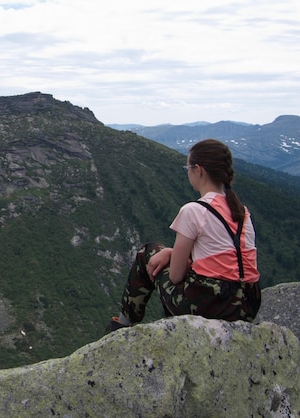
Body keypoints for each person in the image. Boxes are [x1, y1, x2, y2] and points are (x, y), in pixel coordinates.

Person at [105, 139, 261, 334]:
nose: (187, 171)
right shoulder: (242, 213)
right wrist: (172, 252)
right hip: (248, 304)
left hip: (211, 305)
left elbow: (176, 276)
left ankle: (120, 327)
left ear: (198, 170)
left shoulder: (194, 210)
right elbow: (222, 260)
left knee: (147, 252)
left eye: (188, 167)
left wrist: (171, 255)